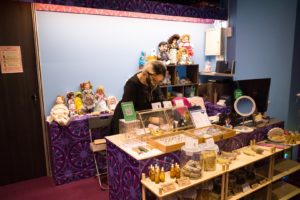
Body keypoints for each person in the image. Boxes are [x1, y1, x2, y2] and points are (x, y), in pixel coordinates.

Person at [110, 60, 167, 134]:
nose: (156, 84)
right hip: (126, 122)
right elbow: (129, 111)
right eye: (154, 80)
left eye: (159, 81)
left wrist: (167, 112)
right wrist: (150, 119)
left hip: (144, 122)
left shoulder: (153, 83)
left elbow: (161, 100)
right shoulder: (132, 84)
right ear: (146, 74)